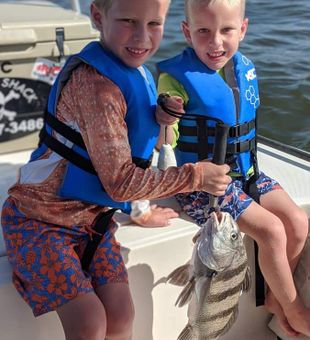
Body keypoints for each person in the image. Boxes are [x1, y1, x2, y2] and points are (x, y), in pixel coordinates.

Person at [0, 0, 232, 339]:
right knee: (89, 321)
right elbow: (121, 182)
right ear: (97, 16)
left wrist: (160, 117)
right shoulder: (96, 87)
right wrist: (196, 175)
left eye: (155, 24)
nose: (142, 36)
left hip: (94, 222)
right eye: (128, 21)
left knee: (122, 314)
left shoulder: (133, 69)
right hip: (40, 223)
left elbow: (136, 150)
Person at [156, 0, 310, 337]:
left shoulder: (244, 68)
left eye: (226, 30)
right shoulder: (174, 80)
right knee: (271, 230)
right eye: (203, 31)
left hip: (247, 174)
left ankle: (274, 299)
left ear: (242, 29)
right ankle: (295, 308)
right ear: (186, 31)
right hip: (203, 189)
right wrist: (167, 115)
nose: (216, 43)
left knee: (297, 222)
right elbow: (164, 141)